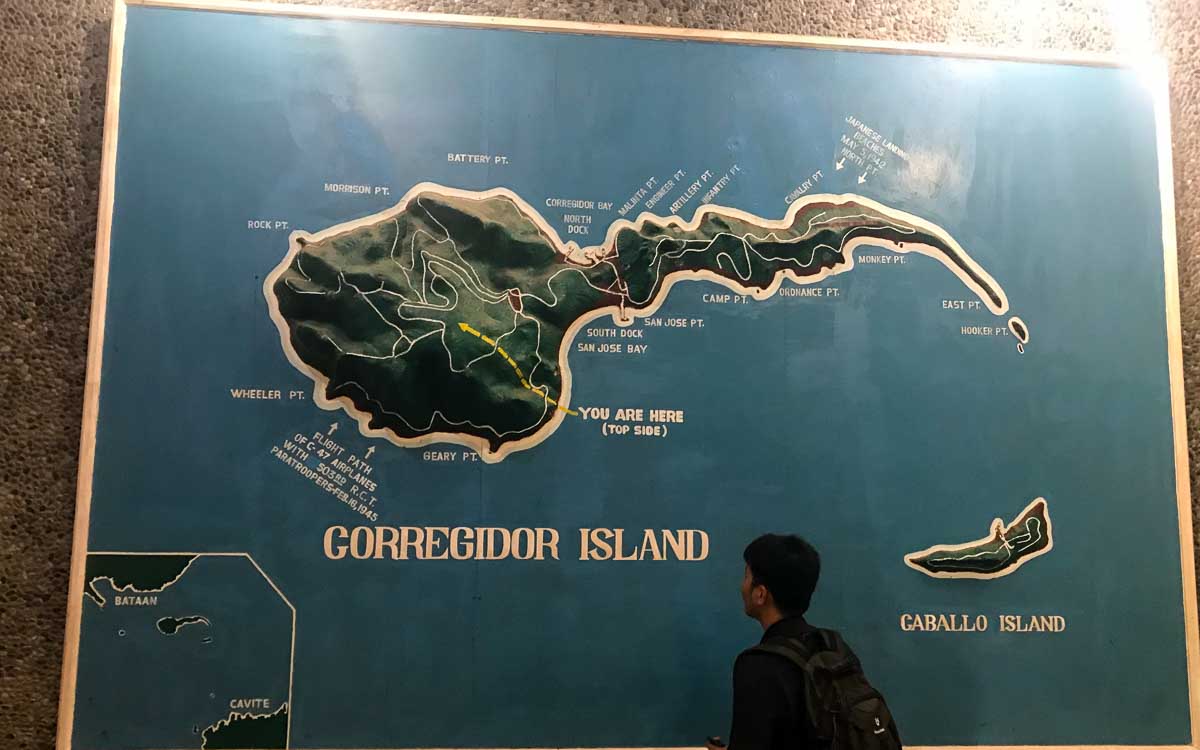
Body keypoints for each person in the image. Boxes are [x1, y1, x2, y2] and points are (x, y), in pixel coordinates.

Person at [707, 533, 823, 750]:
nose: (742, 586)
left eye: (746, 577)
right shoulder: (834, 648)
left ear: (760, 594)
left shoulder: (759, 666)